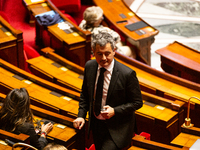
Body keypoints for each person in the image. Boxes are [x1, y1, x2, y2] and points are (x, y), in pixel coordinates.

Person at [73, 31, 143, 150]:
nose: (104, 58)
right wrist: (81, 115)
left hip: (117, 128)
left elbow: (137, 103)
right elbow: (85, 94)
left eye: (107, 53)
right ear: (93, 52)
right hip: (96, 125)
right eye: (99, 54)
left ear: (114, 51)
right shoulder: (89, 66)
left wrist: (114, 111)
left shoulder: (127, 74)